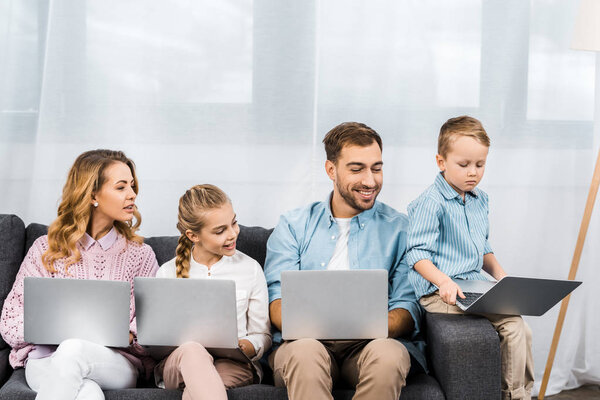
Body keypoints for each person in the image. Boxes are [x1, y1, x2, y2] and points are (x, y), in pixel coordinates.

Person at [264, 122, 425, 400]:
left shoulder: (401, 229)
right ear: (331, 170)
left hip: (371, 346)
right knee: (305, 353)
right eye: (356, 169)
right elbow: (276, 300)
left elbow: (407, 306)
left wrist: (365, 325)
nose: (370, 181)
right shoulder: (293, 225)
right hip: (304, 344)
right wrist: (316, 325)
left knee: (389, 355)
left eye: (376, 168)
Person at [0, 149, 159, 399]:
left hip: (114, 362)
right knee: (87, 393)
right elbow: (10, 322)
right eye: (121, 187)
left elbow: (153, 328)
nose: (132, 194)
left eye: (132, 185)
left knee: (73, 348)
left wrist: (128, 335)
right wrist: (53, 329)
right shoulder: (45, 248)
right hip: (46, 361)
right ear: (92, 194)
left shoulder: (140, 254)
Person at [406, 115, 534, 400]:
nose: (472, 172)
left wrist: (503, 277)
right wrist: (444, 281)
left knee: (522, 328)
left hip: (474, 288)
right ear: (441, 162)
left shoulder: (480, 199)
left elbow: (483, 247)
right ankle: (514, 396)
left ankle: (523, 392)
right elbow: (416, 254)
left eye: (480, 164)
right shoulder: (430, 203)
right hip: (441, 294)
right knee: (512, 324)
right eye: (463, 165)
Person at [155, 184, 271, 400]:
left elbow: (262, 335)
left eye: (234, 223)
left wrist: (246, 345)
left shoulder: (250, 268)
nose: (232, 234)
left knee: (201, 384)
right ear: (193, 235)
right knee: (192, 351)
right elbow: (156, 339)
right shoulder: (167, 272)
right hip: (179, 363)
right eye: (220, 231)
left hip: (233, 364)